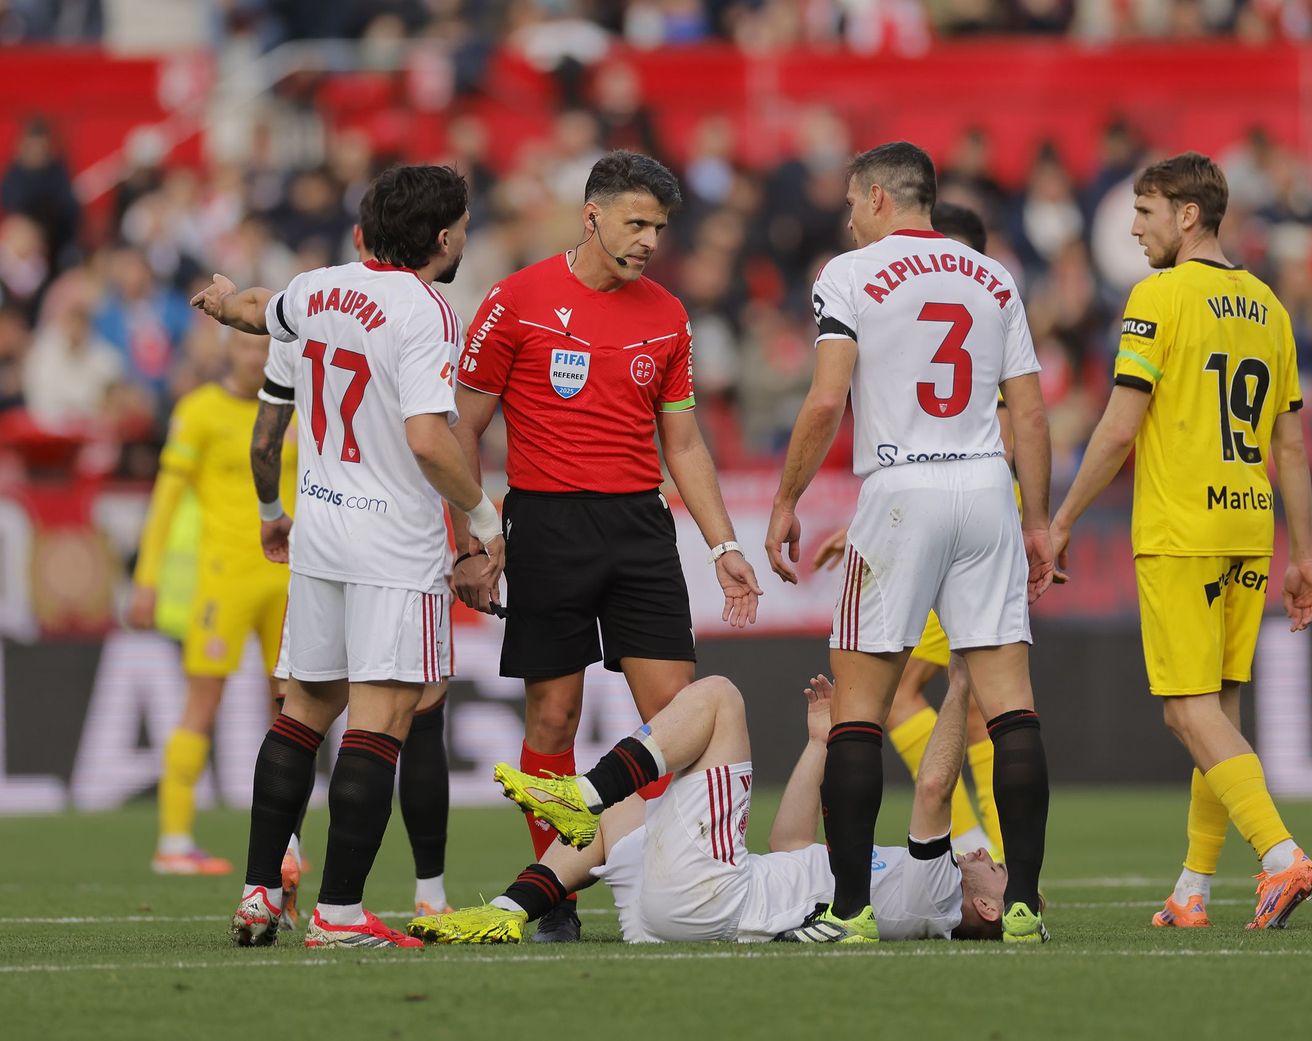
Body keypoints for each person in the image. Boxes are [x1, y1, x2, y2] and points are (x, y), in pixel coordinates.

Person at [448, 150, 762, 943]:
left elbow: (684, 444)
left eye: (660, 226)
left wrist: (723, 541)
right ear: (592, 216)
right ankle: (555, 896)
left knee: (680, 714)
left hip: (640, 528)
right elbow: (462, 432)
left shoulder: (668, 315)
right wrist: (474, 539)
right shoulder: (515, 301)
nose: (651, 239)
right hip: (546, 526)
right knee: (553, 717)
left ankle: (682, 876)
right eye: (636, 222)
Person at [193, 164, 506, 950]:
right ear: (441, 237)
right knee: (383, 718)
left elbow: (250, 311)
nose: (465, 237)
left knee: (302, 710)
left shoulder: (317, 286)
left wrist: (222, 296)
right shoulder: (429, 309)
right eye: (463, 226)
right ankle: (337, 913)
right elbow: (430, 438)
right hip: (393, 543)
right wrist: (483, 517)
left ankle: (262, 890)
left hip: (321, 534)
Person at [762, 141, 1055, 943]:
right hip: (987, 486)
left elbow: (826, 401)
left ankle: (851, 909)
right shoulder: (996, 278)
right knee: (1010, 704)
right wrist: (1037, 521)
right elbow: (1028, 412)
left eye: (854, 202)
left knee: (859, 709)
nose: (849, 217)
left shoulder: (850, 274)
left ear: (881, 198)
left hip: (899, 489)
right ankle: (1024, 903)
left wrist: (788, 497)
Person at [1046, 152, 1312, 931]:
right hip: (1250, 522)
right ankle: (1193, 889)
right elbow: (1292, 446)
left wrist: (1062, 519)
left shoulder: (1158, 295)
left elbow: (1118, 425)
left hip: (1181, 526)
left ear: (1187, 215)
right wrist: (1303, 556)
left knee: (1183, 709)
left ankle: (1279, 855)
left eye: (1145, 212)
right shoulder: (1268, 305)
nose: (1134, 230)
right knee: (1220, 709)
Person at [411, 670, 1010, 944]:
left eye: (999, 869)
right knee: (622, 821)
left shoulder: (934, 892)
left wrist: (958, 684)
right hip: (675, 914)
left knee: (721, 697)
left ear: (983, 904)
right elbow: (790, 845)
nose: (985, 852)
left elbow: (934, 787)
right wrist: (819, 745)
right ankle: (508, 912)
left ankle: (585, 789)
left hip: (719, 902)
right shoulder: (902, 881)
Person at [809, 200, 1006, 860]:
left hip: (947, 526)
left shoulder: (957, 315)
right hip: (977, 515)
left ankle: (976, 848)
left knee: (894, 697)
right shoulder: (985, 310)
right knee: (969, 699)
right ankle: (990, 854)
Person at [130, 329, 296, 880]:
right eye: (249, 346)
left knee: (296, 711)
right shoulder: (199, 411)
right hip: (224, 581)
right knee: (203, 701)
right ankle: (174, 840)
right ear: (231, 351)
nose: (257, 356)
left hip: (292, 582)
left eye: (267, 348)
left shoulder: (298, 406)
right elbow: (166, 500)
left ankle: (288, 848)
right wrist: (146, 578)